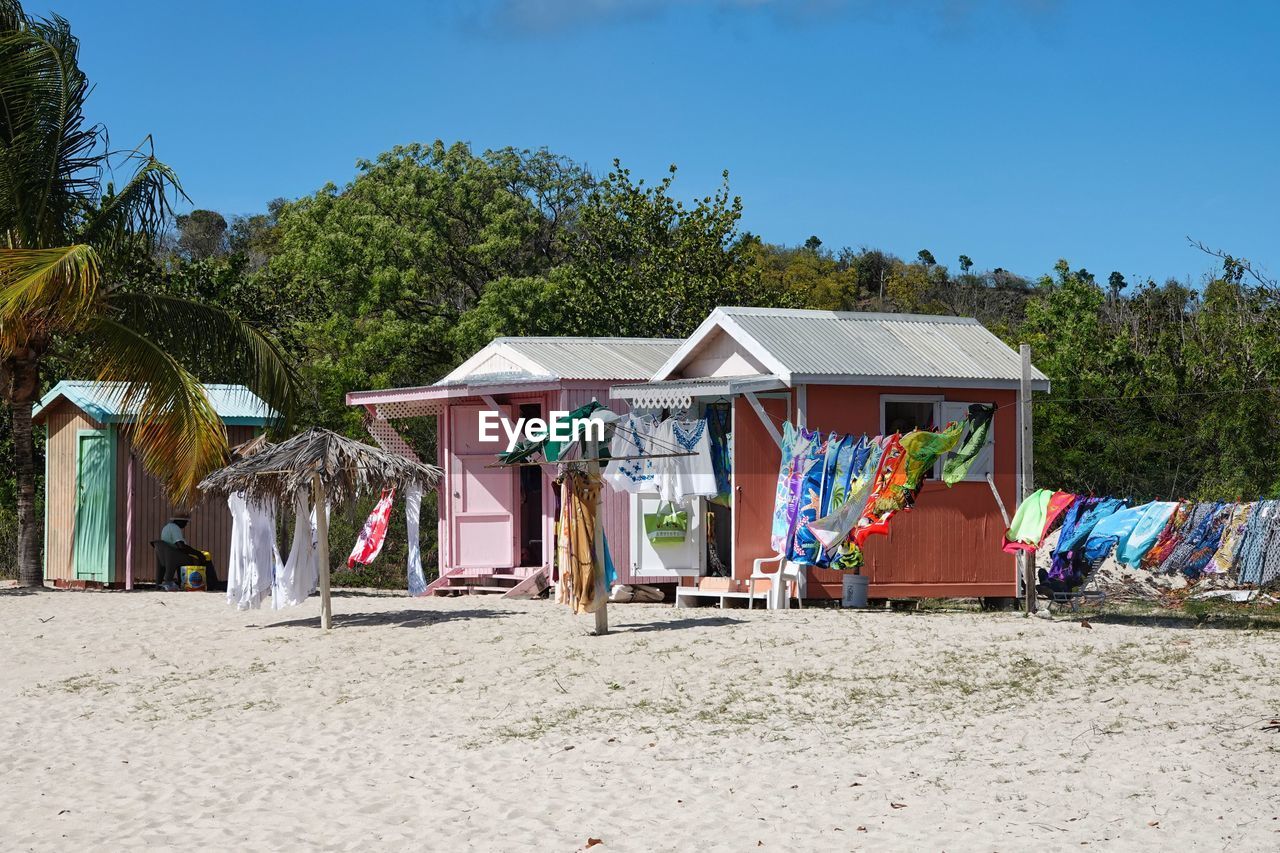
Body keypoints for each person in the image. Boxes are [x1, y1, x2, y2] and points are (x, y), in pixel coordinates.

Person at [157, 517, 213, 590]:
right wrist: (198, 553)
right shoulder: (175, 528)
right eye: (185, 522)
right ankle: (210, 583)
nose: (186, 524)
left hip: (167, 556)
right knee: (202, 558)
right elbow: (181, 545)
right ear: (179, 521)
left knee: (199, 555)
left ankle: (181, 582)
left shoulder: (166, 527)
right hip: (175, 556)